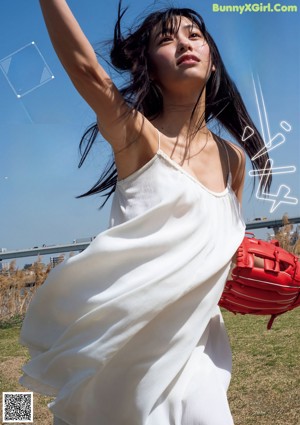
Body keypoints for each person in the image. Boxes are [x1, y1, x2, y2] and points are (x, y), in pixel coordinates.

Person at [19, 1, 271, 424]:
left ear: (212, 63)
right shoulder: (136, 137)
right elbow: (85, 69)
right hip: (126, 358)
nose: (183, 43)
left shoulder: (234, 161)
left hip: (197, 351)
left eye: (194, 35)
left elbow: (224, 248)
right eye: (166, 39)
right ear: (151, 69)